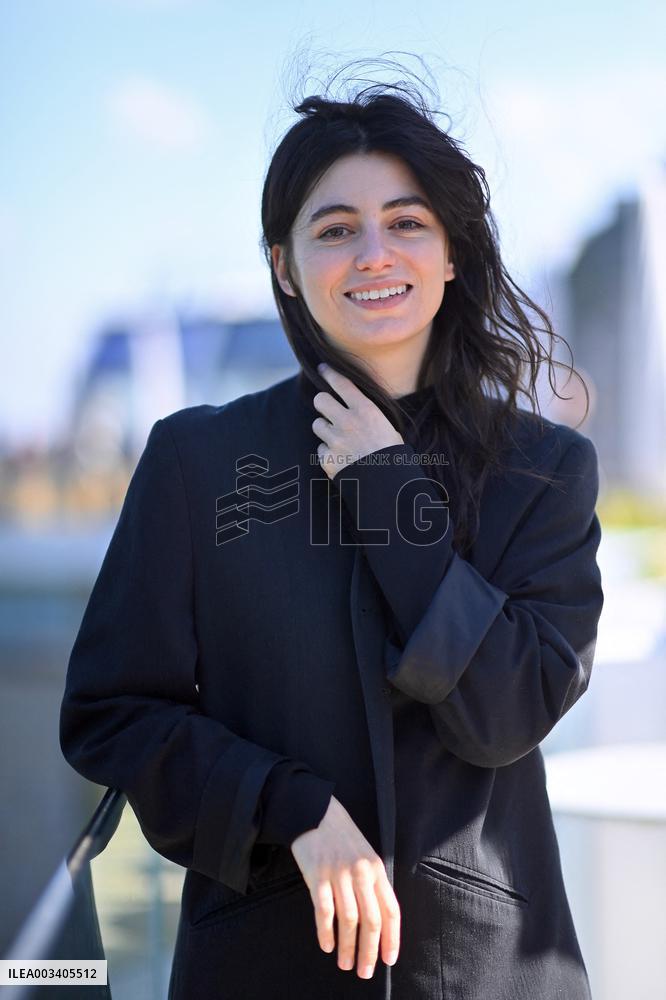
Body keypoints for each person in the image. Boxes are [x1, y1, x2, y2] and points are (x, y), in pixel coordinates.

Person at [59, 65, 604, 1000]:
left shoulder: (543, 469)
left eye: (407, 223)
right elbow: (113, 714)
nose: (375, 254)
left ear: (453, 254)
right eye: (336, 230)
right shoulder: (198, 460)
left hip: (485, 972)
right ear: (284, 262)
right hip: (262, 964)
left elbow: (507, 712)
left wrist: (386, 490)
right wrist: (292, 806)